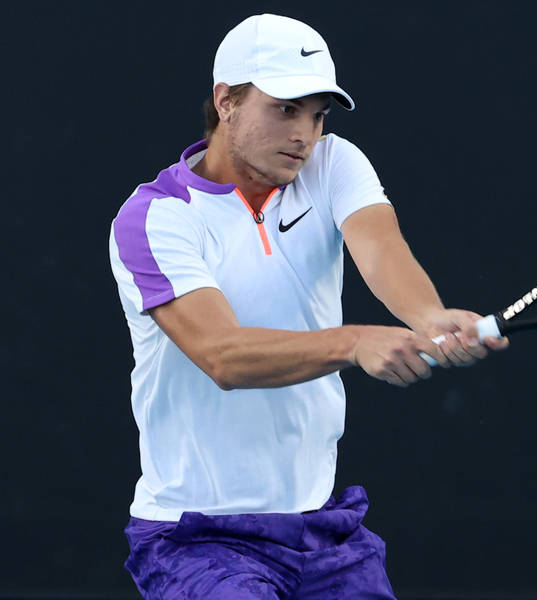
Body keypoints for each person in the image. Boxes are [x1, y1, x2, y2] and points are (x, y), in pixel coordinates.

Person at [109, 13, 508, 599]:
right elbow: (223, 355)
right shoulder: (155, 219)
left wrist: (427, 316)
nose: (305, 134)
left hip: (321, 529)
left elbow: (379, 245)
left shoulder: (332, 165)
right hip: (196, 538)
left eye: (318, 114)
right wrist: (352, 342)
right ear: (227, 101)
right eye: (286, 109)